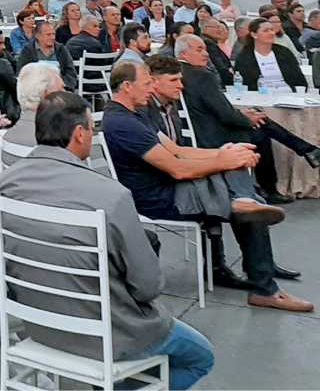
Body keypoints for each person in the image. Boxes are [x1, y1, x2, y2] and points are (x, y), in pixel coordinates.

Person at [0, 92, 216, 390]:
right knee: (200, 356)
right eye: (92, 128)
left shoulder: (5, 184)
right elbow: (148, 286)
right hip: (109, 334)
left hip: (39, 325)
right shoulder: (110, 195)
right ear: (80, 133)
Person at [102, 61, 310, 312]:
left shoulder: (135, 114)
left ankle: (245, 209)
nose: (151, 89)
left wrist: (224, 153)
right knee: (249, 205)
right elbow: (177, 168)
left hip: (172, 187)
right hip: (162, 199)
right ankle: (265, 288)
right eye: (146, 84)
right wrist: (225, 160)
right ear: (127, 86)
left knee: (239, 174)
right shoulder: (124, 124)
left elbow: (178, 151)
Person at [175, 34, 320, 203]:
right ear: (184, 54)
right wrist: (248, 120)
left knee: (257, 118)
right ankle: (274, 183)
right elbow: (226, 115)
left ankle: (306, 151)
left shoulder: (179, 73)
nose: (206, 54)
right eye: (199, 50)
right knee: (259, 130)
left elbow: (217, 109)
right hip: (211, 133)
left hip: (196, 129)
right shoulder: (202, 76)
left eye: (205, 49)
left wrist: (245, 116)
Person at [0, 62, 63, 166]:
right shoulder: (61, 140)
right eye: (62, 89)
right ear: (46, 95)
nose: (67, 93)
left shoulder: (7, 138)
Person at [235, 18, 308, 93]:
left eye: (272, 30)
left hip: (288, 93)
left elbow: (299, 80)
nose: (271, 33)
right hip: (260, 95)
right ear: (254, 34)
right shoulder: (244, 57)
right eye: (266, 31)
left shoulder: (284, 52)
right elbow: (245, 84)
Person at [15, 17, 78, 91]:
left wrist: (65, 87)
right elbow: (22, 73)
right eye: (48, 35)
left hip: (60, 89)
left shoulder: (61, 49)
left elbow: (70, 72)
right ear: (37, 36)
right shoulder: (28, 50)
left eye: (53, 34)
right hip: (36, 90)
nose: (52, 37)